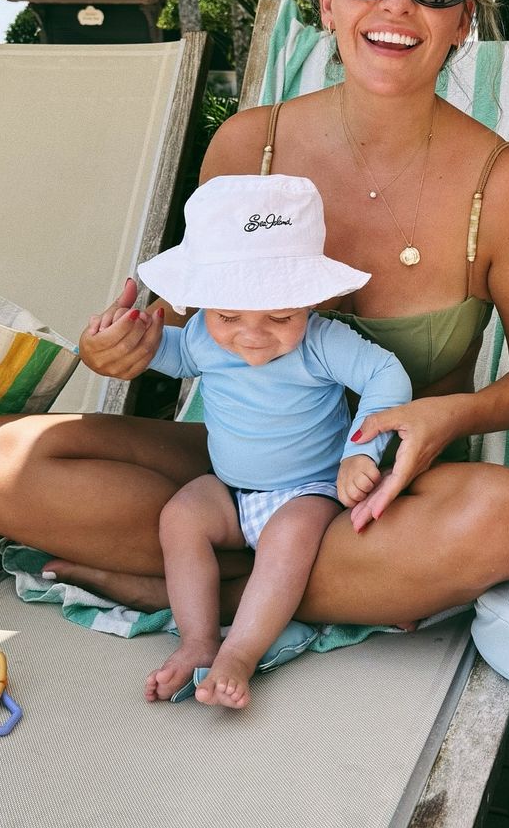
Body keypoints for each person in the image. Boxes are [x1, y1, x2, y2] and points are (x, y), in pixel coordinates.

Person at [0, 0, 509, 631]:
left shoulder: (504, 188)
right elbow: (190, 326)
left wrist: (446, 417)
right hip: (236, 463)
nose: (398, 1)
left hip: (386, 491)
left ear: (463, 18)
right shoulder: (250, 148)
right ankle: (325, 582)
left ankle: (200, 589)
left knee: (507, 519)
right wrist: (127, 348)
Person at [133, 173, 412, 707]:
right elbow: (173, 353)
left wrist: (359, 451)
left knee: (289, 538)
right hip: (231, 490)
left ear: (309, 301)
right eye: (228, 315)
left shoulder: (321, 342)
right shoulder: (202, 336)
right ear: (204, 306)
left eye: (280, 316)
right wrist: (133, 337)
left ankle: (240, 653)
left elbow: (387, 376)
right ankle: (197, 640)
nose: (251, 334)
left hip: (308, 491)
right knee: (180, 517)